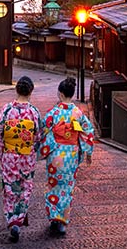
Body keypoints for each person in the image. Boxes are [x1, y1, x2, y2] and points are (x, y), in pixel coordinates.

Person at [38, 77, 95, 237]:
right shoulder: (77, 113)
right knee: (67, 188)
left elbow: (43, 130)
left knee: (54, 185)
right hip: (71, 154)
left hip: (56, 153)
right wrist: (88, 152)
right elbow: (87, 132)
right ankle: (62, 221)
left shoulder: (53, 113)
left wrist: (42, 148)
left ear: (60, 94)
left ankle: (54, 218)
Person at [0, 76, 41, 243]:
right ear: (31, 91)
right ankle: (20, 217)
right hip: (27, 157)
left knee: (10, 189)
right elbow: (38, 137)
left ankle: (13, 221)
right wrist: (34, 152)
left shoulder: (6, 110)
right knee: (25, 188)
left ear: (16, 90)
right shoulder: (34, 112)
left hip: (10, 156)